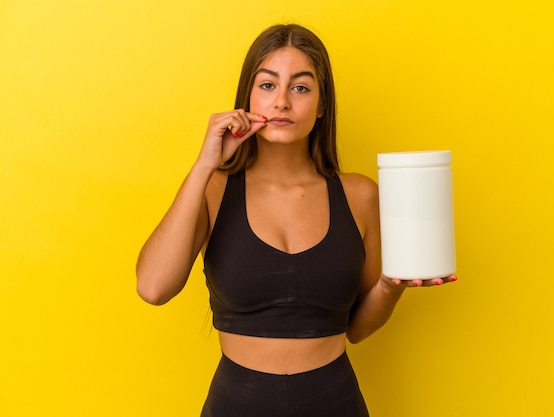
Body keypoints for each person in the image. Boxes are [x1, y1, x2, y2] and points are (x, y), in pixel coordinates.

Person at [136, 23, 456, 417]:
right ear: (247, 97)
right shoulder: (213, 190)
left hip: (335, 402)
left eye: (301, 87)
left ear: (322, 105)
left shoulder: (360, 195)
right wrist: (205, 164)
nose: (282, 102)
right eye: (268, 85)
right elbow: (153, 288)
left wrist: (391, 286)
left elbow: (356, 330)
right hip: (236, 404)